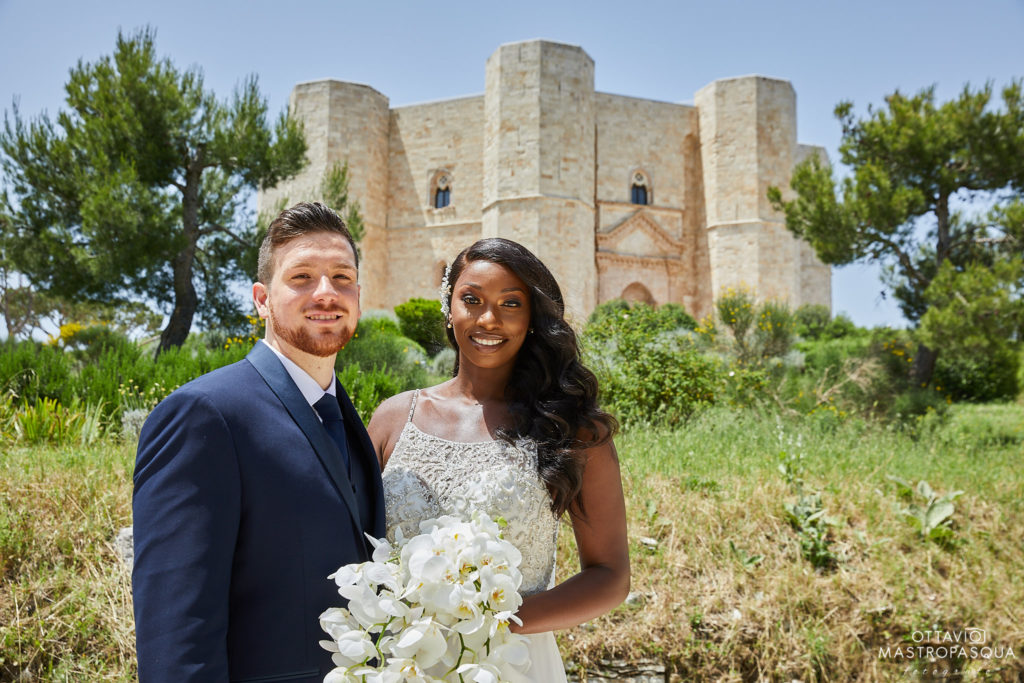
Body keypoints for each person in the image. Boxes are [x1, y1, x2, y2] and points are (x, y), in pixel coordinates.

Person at [132, 202, 385, 682]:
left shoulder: (350, 421)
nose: (326, 292)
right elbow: (177, 637)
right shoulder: (204, 415)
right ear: (262, 299)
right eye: (302, 277)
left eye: (342, 277)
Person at [368, 237, 630, 680]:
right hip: (403, 661)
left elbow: (610, 577)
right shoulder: (394, 418)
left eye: (511, 303)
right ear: (448, 308)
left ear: (532, 318)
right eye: (471, 299)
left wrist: (488, 622)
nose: (488, 319)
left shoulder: (572, 429)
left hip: (510, 663)